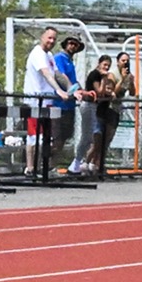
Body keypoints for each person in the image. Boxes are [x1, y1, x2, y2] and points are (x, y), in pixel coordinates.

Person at [21, 26, 68, 176]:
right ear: (42, 37)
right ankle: (30, 167)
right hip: (36, 100)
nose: (51, 41)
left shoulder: (49, 56)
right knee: (35, 136)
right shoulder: (38, 54)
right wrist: (59, 90)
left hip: (47, 101)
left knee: (47, 136)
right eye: (49, 38)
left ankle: (43, 167)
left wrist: (74, 88)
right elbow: (47, 74)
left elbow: (57, 74)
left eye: (54, 39)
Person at [81, 53, 121, 178]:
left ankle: (95, 165)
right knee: (94, 141)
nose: (106, 67)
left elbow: (106, 91)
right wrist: (104, 83)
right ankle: (83, 163)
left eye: (108, 66)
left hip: (102, 111)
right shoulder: (95, 75)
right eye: (104, 64)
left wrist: (110, 91)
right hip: (93, 110)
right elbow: (100, 92)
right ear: (99, 63)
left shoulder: (105, 77)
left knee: (102, 142)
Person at [53, 34, 83, 173]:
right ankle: (46, 165)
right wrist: (73, 90)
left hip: (69, 106)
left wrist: (83, 91)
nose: (72, 46)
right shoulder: (59, 58)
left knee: (64, 137)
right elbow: (61, 76)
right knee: (56, 138)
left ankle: (53, 165)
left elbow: (74, 81)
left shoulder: (71, 62)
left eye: (75, 44)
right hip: (59, 104)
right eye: (70, 43)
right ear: (65, 44)